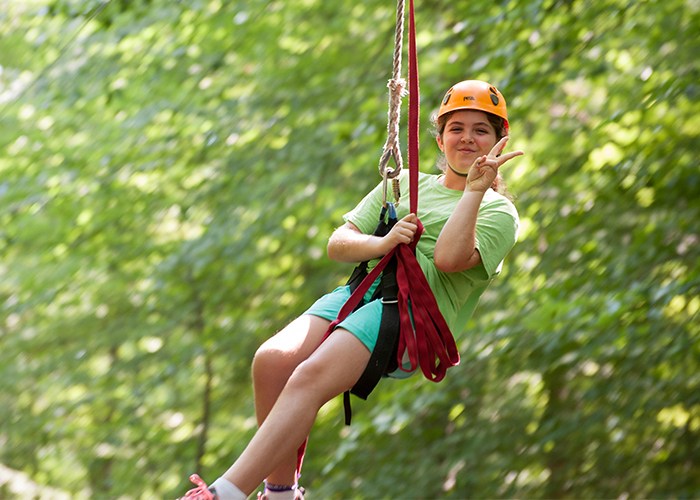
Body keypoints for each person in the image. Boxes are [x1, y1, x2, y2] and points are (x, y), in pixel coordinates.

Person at [176, 80, 523, 500]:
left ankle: (224, 493)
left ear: (499, 141)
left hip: (413, 316)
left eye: (480, 130)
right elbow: (339, 241)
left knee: (309, 376)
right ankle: (281, 493)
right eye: (457, 127)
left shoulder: (499, 211)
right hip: (364, 292)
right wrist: (383, 242)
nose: (467, 137)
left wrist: (473, 192)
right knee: (271, 361)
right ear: (439, 137)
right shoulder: (406, 182)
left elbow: (449, 260)